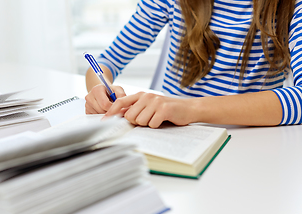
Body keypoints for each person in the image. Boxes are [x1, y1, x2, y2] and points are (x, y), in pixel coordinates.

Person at [85, 0, 300, 128]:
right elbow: (107, 61)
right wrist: (100, 89)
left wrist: (190, 108)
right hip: (172, 135)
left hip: (249, 140)